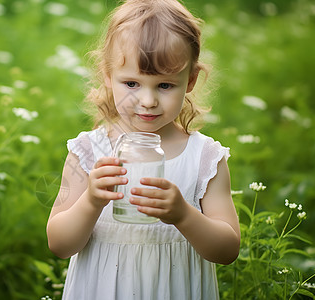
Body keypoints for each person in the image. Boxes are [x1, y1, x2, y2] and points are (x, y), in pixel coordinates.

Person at [46, 0, 240, 298]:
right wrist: (92, 201)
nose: (147, 101)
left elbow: (227, 249)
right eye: (132, 83)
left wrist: (184, 215)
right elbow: (59, 244)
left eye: (164, 85)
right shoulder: (89, 151)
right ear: (108, 76)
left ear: (190, 80)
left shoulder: (203, 158)